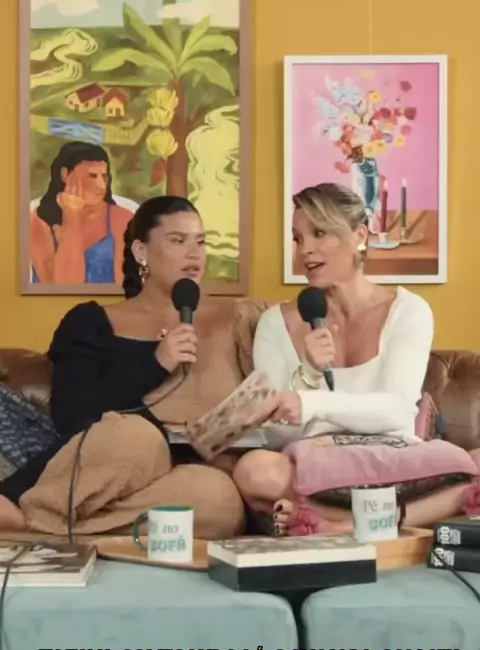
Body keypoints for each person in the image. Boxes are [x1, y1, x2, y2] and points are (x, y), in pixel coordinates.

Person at [233, 182, 477, 535]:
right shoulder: (274, 323)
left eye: (320, 233)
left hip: (397, 463)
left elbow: (397, 410)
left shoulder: (409, 311)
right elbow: (275, 436)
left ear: (359, 236)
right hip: (318, 468)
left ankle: (337, 523)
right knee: (253, 470)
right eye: (298, 238)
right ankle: (372, 521)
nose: (305, 249)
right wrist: (308, 372)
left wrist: (311, 402)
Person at [0, 195, 245, 537]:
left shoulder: (231, 319)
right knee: (138, 436)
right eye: (178, 241)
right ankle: (33, 509)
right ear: (141, 251)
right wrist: (156, 363)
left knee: (220, 499)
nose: (194, 254)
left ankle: (31, 524)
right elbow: (73, 416)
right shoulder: (90, 321)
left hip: (169, 477)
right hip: (112, 461)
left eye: (201, 242)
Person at [30, 141, 133, 285]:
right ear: (65, 175)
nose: (101, 186)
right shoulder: (40, 220)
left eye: (104, 177)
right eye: (92, 176)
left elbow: (126, 289)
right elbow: (63, 287)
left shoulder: (122, 219)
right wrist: (71, 218)